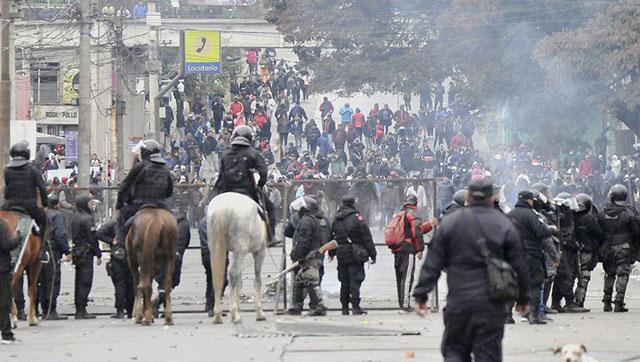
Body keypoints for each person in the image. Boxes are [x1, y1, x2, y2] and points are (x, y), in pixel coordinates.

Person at [413, 178, 530, 362]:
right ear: (492, 198)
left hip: (459, 303)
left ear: (467, 196)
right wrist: (523, 299)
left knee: (454, 350)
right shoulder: (505, 224)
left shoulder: (451, 223)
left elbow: (433, 262)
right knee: (488, 353)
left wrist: (421, 295)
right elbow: (520, 265)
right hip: (491, 304)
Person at [215, 126, 275, 241]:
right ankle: (270, 236)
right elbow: (263, 172)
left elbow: (221, 172)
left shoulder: (226, 153)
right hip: (247, 190)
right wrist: (259, 186)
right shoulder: (253, 153)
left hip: (226, 190)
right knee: (270, 208)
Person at [507, 190, 554, 325]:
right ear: (530, 200)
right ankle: (533, 315)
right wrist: (551, 229)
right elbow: (541, 231)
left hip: (513, 254)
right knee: (534, 283)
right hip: (531, 254)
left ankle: (507, 316)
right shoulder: (532, 214)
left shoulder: (509, 214)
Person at [116, 139, 174, 244]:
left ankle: (120, 248)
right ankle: (176, 250)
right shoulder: (165, 168)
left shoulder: (140, 166)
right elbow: (170, 191)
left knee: (122, 223)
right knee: (175, 223)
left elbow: (125, 186)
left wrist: (119, 204)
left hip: (139, 204)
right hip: (161, 204)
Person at [329, 196, 376, 315]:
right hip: (355, 252)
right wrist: (372, 254)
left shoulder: (336, 219)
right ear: (353, 204)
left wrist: (332, 253)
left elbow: (331, 237)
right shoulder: (357, 218)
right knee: (355, 279)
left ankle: (344, 307)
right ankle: (355, 306)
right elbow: (366, 237)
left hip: (341, 252)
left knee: (344, 281)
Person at [597, 184, 640, 312]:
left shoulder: (603, 211)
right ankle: (619, 302)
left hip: (607, 247)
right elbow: (637, 232)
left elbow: (598, 229)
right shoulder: (629, 212)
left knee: (609, 273)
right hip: (624, 247)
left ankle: (606, 301)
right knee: (622, 274)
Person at [288, 197, 329, 316]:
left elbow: (303, 240)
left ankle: (318, 306)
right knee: (300, 280)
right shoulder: (320, 219)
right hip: (316, 254)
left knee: (311, 280)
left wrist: (297, 254)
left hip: (309, 256)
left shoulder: (306, 221)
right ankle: (297, 306)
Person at [2, 141, 48, 237]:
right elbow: (42, 189)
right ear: (27, 154)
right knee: (43, 220)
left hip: (9, 205)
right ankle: (41, 247)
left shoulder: (7, 170)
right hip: (29, 207)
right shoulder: (33, 170)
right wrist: (45, 205)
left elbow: (7, 188)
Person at [391, 194, 425, 311]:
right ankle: (405, 305)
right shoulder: (413, 214)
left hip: (397, 249)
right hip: (408, 249)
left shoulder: (399, 213)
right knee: (407, 277)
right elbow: (416, 231)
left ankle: (401, 303)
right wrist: (420, 249)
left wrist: (429, 225)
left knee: (399, 277)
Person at [39, 194, 71, 320]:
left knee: (42, 280)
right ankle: (51, 310)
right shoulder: (58, 216)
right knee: (53, 280)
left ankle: (43, 309)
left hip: (41, 250)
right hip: (52, 251)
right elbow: (60, 234)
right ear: (57, 204)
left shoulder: (41, 214)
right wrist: (66, 250)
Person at [96, 218, 134, 319]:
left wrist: (111, 241)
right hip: (131, 256)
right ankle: (130, 310)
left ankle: (120, 311)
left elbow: (99, 233)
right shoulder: (135, 221)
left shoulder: (114, 222)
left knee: (119, 284)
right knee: (131, 283)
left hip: (118, 255)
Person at [71, 195, 102, 319]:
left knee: (78, 280)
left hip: (77, 251)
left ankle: (79, 307)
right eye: (89, 202)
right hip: (86, 252)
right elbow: (92, 238)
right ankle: (81, 309)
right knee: (85, 280)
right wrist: (98, 253)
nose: (91, 205)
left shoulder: (75, 218)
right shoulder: (88, 219)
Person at [573, 193, 603, 308]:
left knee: (570, 277)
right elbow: (599, 233)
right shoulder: (590, 219)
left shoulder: (571, 218)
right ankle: (579, 301)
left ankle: (569, 301)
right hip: (587, 251)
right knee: (584, 277)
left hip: (573, 252)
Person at [0, 212, 19, 343]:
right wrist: (17, 237)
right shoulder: (1, 225)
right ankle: (6, 333)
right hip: (2, 268)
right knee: (4, 300)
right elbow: (7, 245)